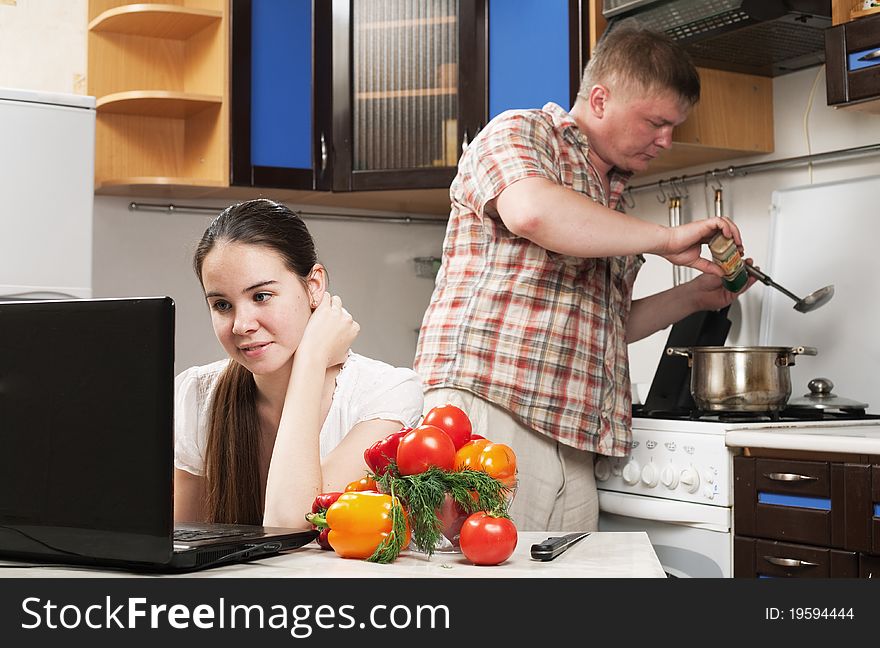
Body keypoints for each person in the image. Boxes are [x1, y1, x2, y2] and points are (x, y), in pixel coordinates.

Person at [413, 25, 754, 532]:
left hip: (572, 434)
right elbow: (530, 211)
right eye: (656, 122)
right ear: (599, 99)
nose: (667, 141)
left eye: (673, 126)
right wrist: (664, 238)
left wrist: (695, 297)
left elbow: (605, 325)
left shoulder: (612, 195)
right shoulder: (522, 132)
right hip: (489, 407)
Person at [173, 198, 424, 529]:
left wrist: (311, 358)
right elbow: (180, 539)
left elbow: (292, 524)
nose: (241, 325)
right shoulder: (198, 393)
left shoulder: (385, 395)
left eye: (261, 296)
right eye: (222, 304)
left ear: (314, 287)